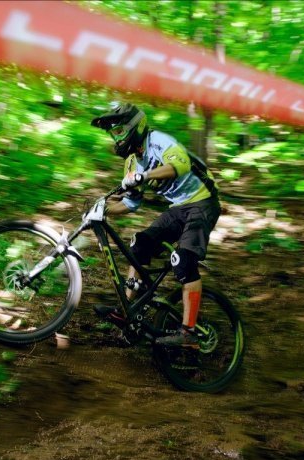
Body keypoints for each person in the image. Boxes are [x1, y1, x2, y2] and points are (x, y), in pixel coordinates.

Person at [90, 103, 221, 348]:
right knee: (139, 245)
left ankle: (189, 333)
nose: (115, 138)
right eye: (112, 134)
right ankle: (127, 310)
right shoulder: (132, 163)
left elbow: (180, 165)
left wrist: (145, 176)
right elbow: (130, 203)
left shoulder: (157, 140)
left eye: (118, 131)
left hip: (203, 202)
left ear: (134, 127)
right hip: (178, 207)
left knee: (183, 261)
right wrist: (101, 210)